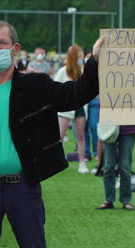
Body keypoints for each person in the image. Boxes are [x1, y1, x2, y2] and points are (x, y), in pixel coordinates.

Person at [0, 21, 103, 248]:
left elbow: (75, 94)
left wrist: (94, 61)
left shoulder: (36, 85)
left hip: (23, 186)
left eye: (2, 43)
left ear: (15, 48)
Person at [53, 44, 89, 173]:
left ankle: (82, 163)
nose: (81, 58)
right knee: (60, 136)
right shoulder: (63, 71)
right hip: (65, 107)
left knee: (80, 136)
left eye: (82, 56)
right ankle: (56, 162)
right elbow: (55, 87)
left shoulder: (84, 70)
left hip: (80, 107)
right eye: (79, 56)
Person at [95, 125, 135, 211]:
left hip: (128, 128)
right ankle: (109, 199)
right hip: (109, 127)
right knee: (108, 166)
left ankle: (126, 200)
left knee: (125, 167)